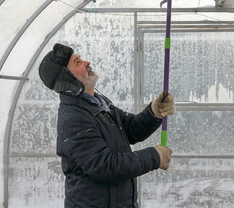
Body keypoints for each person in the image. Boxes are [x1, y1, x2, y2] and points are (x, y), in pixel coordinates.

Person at [39, 43, 175, 207]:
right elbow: (105, 166)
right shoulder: (75, 118)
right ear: (67, 78)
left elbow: (130, 129)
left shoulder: (98, 104)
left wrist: (154, 112)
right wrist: (154, 157)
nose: (87, 62)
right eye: (78, 62)